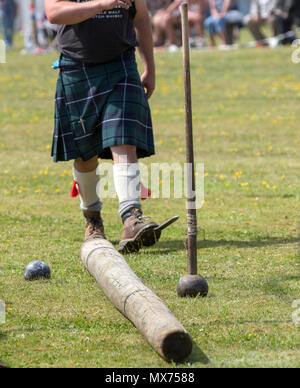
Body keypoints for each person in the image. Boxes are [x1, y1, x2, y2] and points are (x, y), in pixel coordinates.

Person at [45, 0, 161, 254]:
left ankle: (131, 217)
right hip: (78, 68)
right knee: (85, 155)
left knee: (123, 138)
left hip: (121, 66)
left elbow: (140, 17)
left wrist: (149, 67)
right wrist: (102, 5)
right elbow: (54, 13)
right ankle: (92, 218)